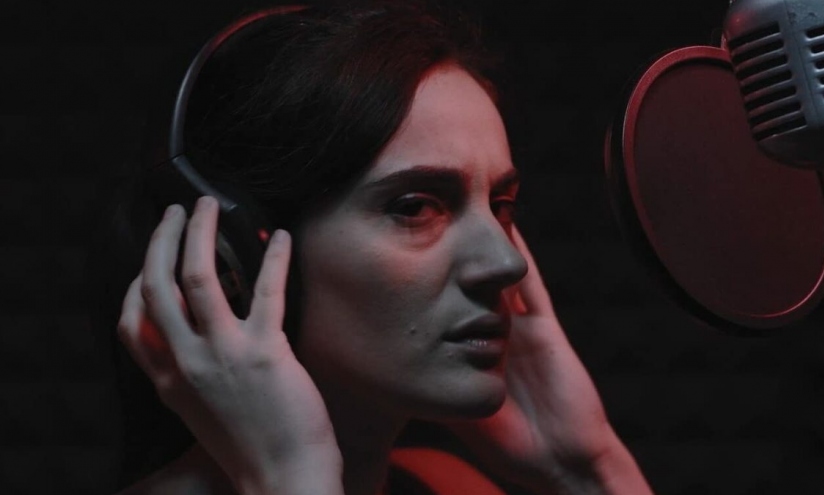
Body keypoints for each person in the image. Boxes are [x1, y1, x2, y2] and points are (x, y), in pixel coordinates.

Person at [91, 1, 654, 494]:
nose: (508, 263)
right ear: (234, 256)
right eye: (415, 207)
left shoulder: (448, 485)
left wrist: (588, 470)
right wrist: (291, 476)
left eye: (501, 206)